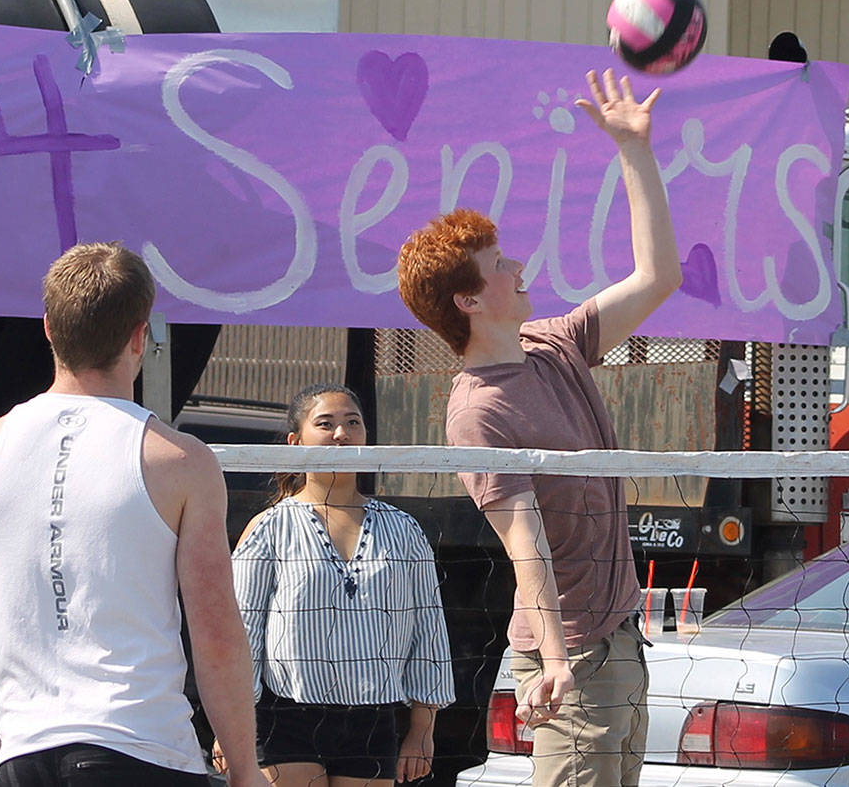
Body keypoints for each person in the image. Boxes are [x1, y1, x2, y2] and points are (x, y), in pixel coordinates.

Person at [395, 69, 680, 787]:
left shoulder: (554, 343)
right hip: (573, 659)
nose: (518, 266)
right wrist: (555, 663)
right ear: (468, 299)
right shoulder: (479, 410)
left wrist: (633, 150)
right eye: (498, 266)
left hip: (620, 642)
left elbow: (659, 277)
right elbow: (526, 549)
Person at [0, 242, 267, 787]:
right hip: (142, 745)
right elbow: (215, 633)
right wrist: (244, 768)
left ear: (48, 328)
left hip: (27, 751)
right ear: (141, 336)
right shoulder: (179, 460)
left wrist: (17, 686)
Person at [218, 384, 454, 786]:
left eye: (352, 423)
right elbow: (240, 633)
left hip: (373, 717)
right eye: (325, 424)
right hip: (284, 717)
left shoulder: (403, 529)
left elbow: (428, 630)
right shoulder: (271, 528)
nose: (341, 434)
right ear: (296, 442)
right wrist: (230, 725)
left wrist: (422, 729)